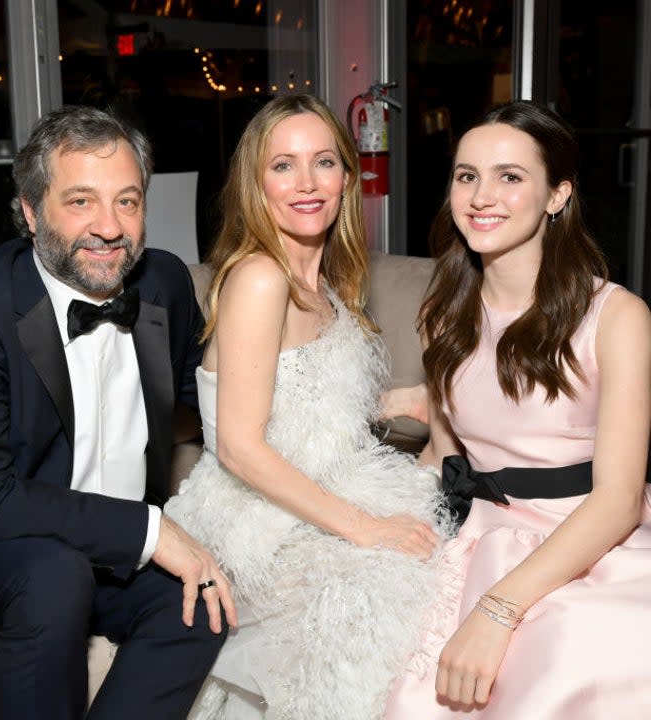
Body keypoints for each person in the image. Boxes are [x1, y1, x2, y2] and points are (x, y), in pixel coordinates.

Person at [0, 106, 236, 720]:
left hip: (109, 556)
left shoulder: (165, 284)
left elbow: (212, 397)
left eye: (127, 201)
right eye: (80, 202)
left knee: (206, 599)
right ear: (30, 211)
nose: (108, 226)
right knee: (55, 576)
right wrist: (151, 532)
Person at [163, 92, 452, 720]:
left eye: (323, 162)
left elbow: (304, 400)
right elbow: (241, 447)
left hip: (316, 488)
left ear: (347, 177)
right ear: (254, 183)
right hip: (255, 518)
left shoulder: (325, 283)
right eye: (283, 165)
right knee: (382, 596)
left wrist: (403, 399)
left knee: (448, 561)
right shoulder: (259, 278)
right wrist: (366, 528)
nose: (306, 183)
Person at [385, 100, 651, 718]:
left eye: (510, 176)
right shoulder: (442, 315)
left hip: (588, 543)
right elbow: (445, 459)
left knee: (570, 656)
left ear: (556, 195)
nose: (482, 196)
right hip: (477, 537)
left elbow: (618, 500)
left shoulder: (616, 317)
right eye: (466, 175)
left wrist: (498, 611)